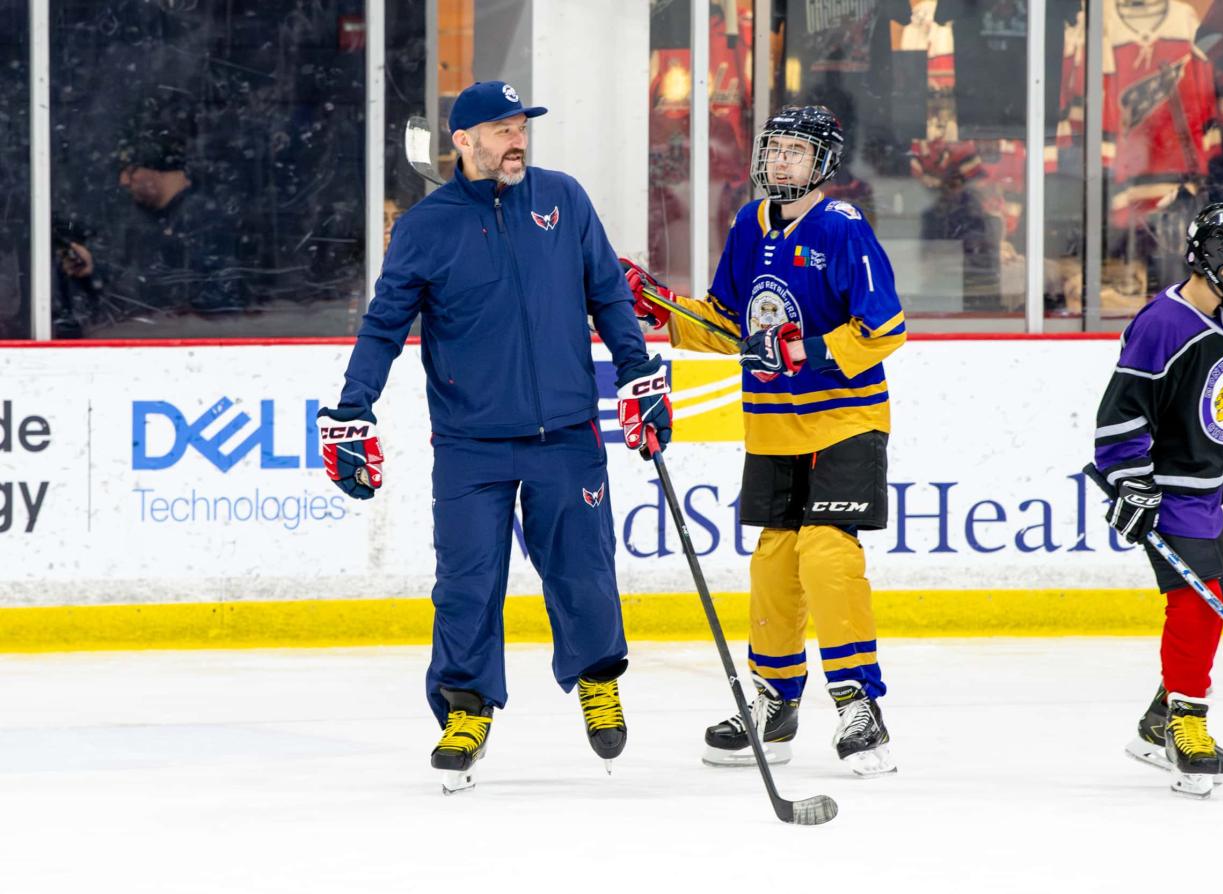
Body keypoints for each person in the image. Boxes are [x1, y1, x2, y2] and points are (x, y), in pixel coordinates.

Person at [316, 81, 672, 794]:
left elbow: (606, 290)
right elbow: (385, 324)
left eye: (521, 127)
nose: (517, 140)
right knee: (467, 583)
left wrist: (638, 375)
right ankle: (466, 709)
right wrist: (352, 408)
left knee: (583, 572)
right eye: (501, 129)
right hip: (471, 442)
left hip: (566, 431)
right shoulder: (427, 226)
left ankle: (597, 678)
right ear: (463, 142)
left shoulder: (563, 199)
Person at [623, 105, 906, 776]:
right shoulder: (749, 224)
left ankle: (859, 704)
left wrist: (804, 350)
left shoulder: (842, 228)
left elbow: (885, 325)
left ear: (823, 163)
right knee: (775, 562)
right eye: (774, 148)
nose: (780, 160)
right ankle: (775, 704)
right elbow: (727, 325)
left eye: (795, 151)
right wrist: (661, 305)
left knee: (827, 553)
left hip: (845, 419)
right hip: (773, 423)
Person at [1091, 202, 1223, 798]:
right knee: (1199, 603)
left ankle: (1156, 721)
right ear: (1219, 267)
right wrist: (1129, 479)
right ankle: (1185, 725)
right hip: (1168, 491)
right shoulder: (1164, 324)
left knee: (1219, 590)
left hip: (1200, 489)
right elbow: (1122, 412)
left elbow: (1204, 398)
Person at [58, 115, 245, 335]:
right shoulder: (140, 218)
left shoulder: (204, 222)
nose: (124, 181)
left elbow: (210, 303)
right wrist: (91, 268)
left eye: (131, 170)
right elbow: (126, 275)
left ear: (157, 169)